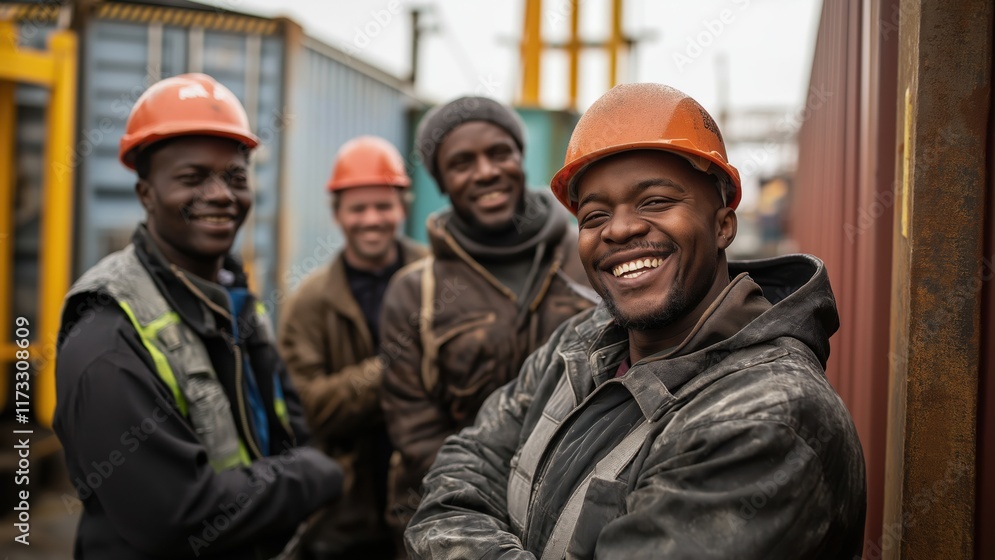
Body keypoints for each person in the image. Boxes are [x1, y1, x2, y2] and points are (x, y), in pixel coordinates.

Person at [405, 83, 867, 559]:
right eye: (595, 214)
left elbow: (454, 515)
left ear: (723, 224)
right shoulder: (579, 345)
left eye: (655, 202)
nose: (620, 228)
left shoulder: (768, 418)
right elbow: (460, 469)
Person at [53, 73, 342, 559]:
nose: (221, 195)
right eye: (192, 178)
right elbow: (174, 514)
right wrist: (311, 477)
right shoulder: (106, 338)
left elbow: (286, 422)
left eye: (235, 176)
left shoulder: (233, 297)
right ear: (146, 193)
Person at [379, 96, 596, 543]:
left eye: (500, 153)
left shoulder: (590, 257)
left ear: (521, 158)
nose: (486, 172)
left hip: (583, 519)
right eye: (461, 162)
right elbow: (416, 432)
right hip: (461, 526)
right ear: (441, 182)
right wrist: (492, 513)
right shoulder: (414, 293)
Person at [276, 136, 428, 559]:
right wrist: (392, 369)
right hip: (343, 515)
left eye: (383, 206)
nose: (372, 219)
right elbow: (306, 408)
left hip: (426, 500)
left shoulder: (438, 280)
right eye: (358, 208)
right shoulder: (311, 301)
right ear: (338, 215)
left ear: (402, 207)